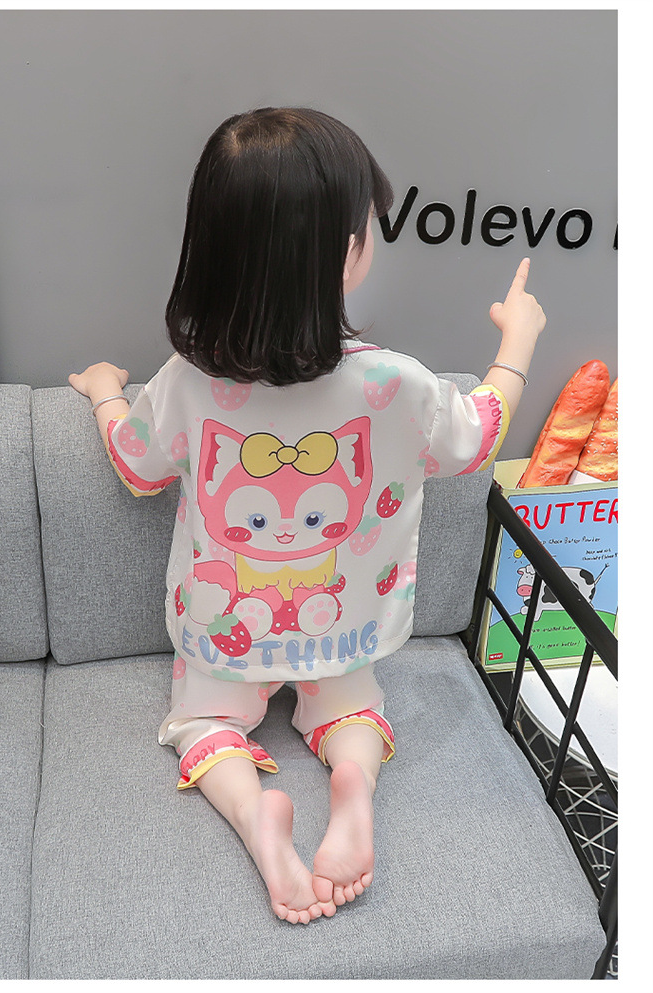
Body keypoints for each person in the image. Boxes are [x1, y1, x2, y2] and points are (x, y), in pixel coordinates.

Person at [69, 107, 546, 925]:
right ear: (347, 252)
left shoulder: (186, 380)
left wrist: (105, 391)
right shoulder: (398, 383)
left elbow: (136, 465)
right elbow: (477, 436)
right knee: (355, 708)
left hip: (225, 628)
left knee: (200, 720)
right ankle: (353, 780)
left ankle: (255, 813)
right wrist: (518, 340)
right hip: (345, 623)